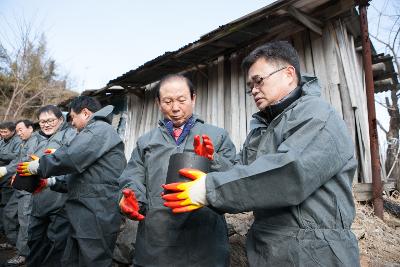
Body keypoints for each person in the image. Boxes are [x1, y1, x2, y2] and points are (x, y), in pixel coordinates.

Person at [163, 41, 361, 266]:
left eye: (259, 81)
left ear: (288, 74)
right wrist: (213, 163)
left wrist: (208, 190)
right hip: (268, 249)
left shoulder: (317, 116)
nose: (254, 90)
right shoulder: (263, 129)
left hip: (314, 251)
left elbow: (288, 174)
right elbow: (246, 173)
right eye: (250, 86)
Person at [118, 74, 236, 267]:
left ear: (193, 98)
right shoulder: (145, 142)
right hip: (157, 242)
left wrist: (212, 160)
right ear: (158, 103)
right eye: (167, 101)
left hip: (205, 241)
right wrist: (132, 200)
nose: (175, 108)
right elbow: (132, 177)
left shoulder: (217, 136)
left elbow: (234, 177)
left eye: (182, 100)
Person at [18, 96, 127, 267]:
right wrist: (51, 182)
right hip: (83, 211)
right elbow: (81, 178)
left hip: (97, 212)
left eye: (72, 117)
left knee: (92, 260)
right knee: (71, 260)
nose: (72, 123)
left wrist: (38, 165)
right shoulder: (93, 132)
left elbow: (69, 157)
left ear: (85, 113)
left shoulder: (99, 129)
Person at [20, 105, 76, 267]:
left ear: (60, 119)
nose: (46, 124)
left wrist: (58, 156)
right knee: (35, 239)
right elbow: (24, 161)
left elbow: (74, 162)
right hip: (38, 199)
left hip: (60, 201)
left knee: (57, 244)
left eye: (50, 120)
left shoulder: (71, 135)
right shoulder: (35, 139)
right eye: (42, 121)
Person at [0, 120, 37, 266]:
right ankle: (14, 242)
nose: (19, 133)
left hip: (28, 186)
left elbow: (24, 161)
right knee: (9, 213)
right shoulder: (24, 141)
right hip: (19, 184)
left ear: (30, 128)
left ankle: (23, 254)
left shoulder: (35, 141)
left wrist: (6, 169)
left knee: (24, 219)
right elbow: (17, 159)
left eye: (21, 130)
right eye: (18, 130)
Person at [0, 122, 22, 235]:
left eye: (5, 131)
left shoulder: (18, 141)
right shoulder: (2, 141)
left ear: (13, 131)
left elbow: (17, 156)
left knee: (6, 204)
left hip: (9, 176)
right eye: (1, 131)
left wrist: (1, 155)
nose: (2, 134)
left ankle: (7, 232)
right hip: (2, 176)